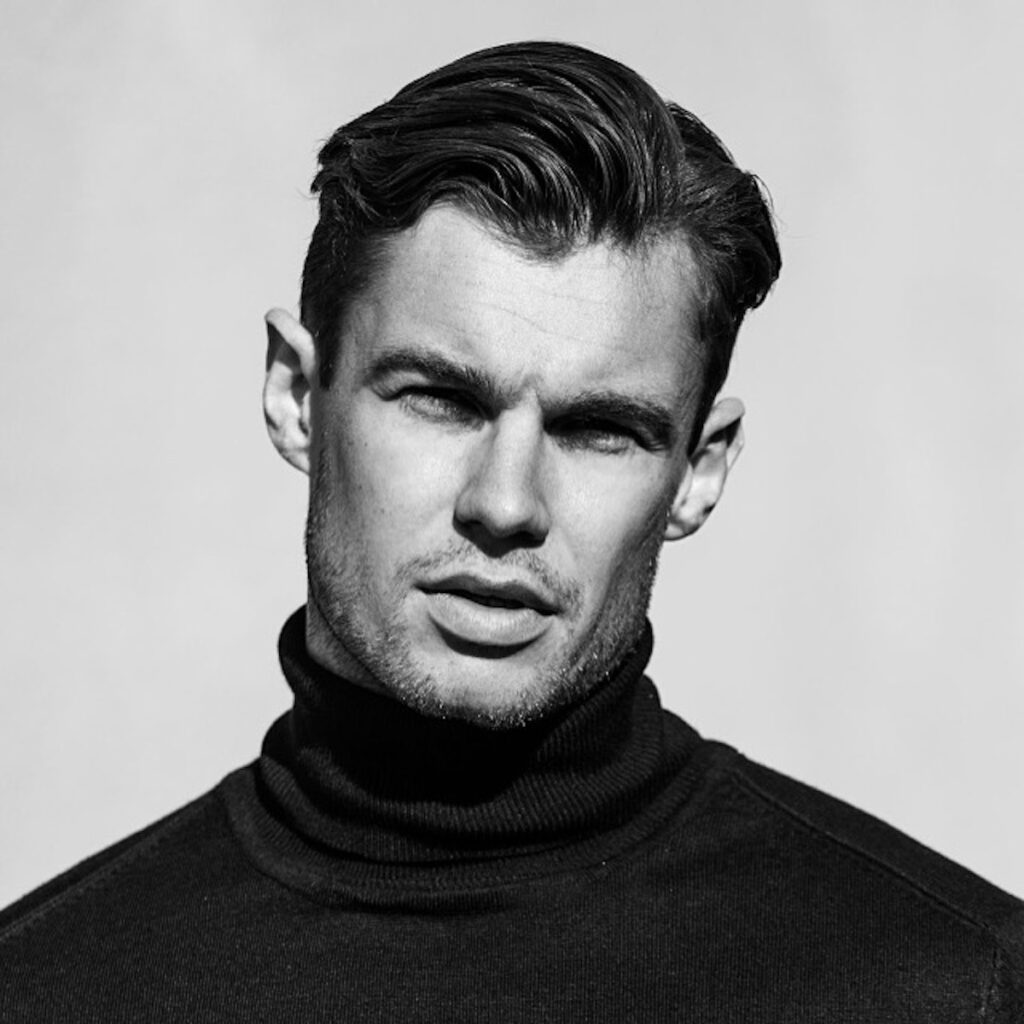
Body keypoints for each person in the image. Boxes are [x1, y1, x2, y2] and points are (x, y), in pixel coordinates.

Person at [2, 39, 1021, 1022]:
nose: (505, 503)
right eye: (440, 399)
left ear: (698, 471)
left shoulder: (954, 983)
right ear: (297, 396)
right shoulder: (47, 986)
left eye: (599, 429)